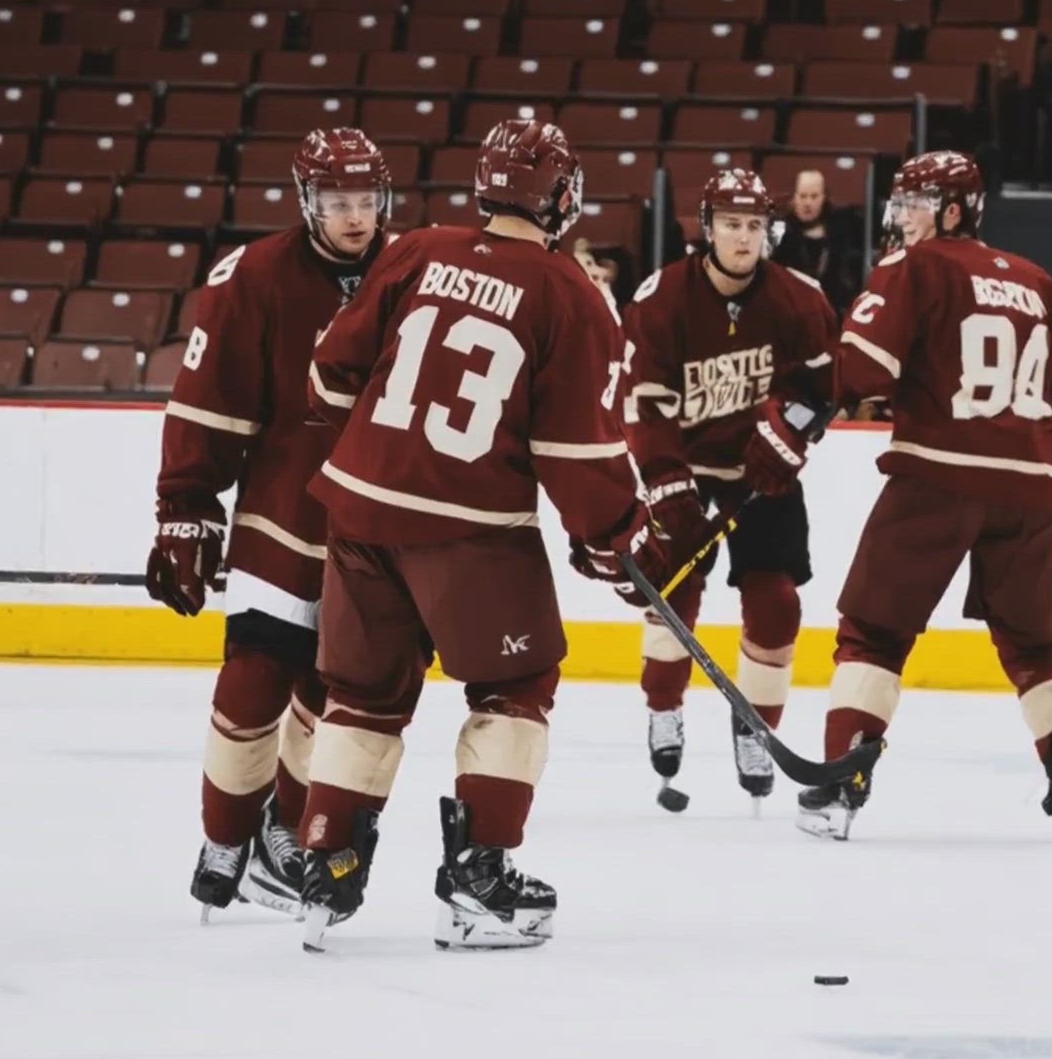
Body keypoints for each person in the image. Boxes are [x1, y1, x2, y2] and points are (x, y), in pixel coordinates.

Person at [298, 119, 672, 951]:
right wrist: (613, 533)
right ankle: (479, 882)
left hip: (357, 512)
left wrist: (385, 446)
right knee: (516, 685)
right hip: (468, 527)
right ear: (562, 198)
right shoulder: (571, 292)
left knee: (362, 695)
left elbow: (329, 371)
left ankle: (325, 867)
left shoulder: (416, 248)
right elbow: (575, 449)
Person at [755, 150, 1052, 843]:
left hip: (937, 477)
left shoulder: (913, 268)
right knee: (1038, 648)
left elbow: (860, 368)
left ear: (950, 210)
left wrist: (793, 410)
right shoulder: (1033, 278)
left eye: (914, 206)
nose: (902, 220)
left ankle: (840, 785)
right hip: (1033, 488)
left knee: (873, 634)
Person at [148, 127, 392, 922]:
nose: (354, 217)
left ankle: (281, 835)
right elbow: (207, 401)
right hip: (282, 507)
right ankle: (225, 835)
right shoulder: (252, 275)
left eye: (365, 200)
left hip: (377, 519)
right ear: (306, 201)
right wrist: (186, 508)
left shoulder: (412, 269)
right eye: (336, 202)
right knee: (255, 679)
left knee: (333, 689)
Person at [618, 167, 839, 809]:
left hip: (761, 473)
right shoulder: (661, 298)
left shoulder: (800, 297)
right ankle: (664, 706)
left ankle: (756, 725)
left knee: (776, 605)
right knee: (672, 592)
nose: (742, 238)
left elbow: (825, 386)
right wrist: (664, 480)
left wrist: (789, 435)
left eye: (752, 226)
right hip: (684, 471)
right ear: (707, 228)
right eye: (730, 225)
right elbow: (643, 402)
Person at [773, 168, 865, 315]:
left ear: (823, 198)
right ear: (794, 198)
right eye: (803, 196)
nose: (808, 203)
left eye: (814, 196)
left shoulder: (842, 235)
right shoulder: (782, 236)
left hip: (834, 314)